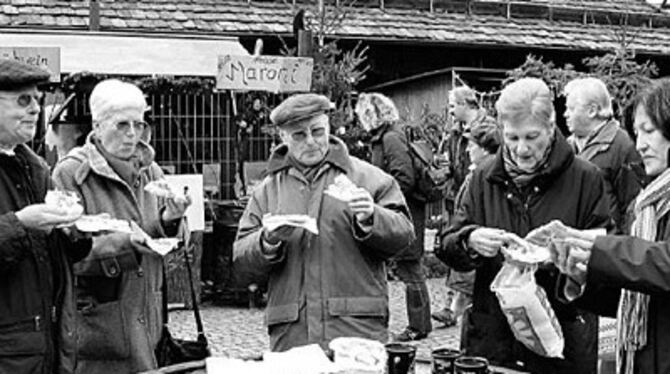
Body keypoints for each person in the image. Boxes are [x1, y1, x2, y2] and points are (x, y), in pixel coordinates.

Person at [436, 78, 610, 373]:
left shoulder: (586, 178)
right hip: (495, 339)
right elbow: (447, 243)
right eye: (512, 137)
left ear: (552, 126)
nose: (522, 149)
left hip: (562, 341)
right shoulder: (483, 178)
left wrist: (566, 257)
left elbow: (606, 255)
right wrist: (470, 239)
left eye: (532, 137)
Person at [233, 93, 415, 352]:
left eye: (317, 131)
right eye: (299, 135)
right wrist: (268, 240)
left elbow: (405, 236)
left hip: (356, 330)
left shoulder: (369, 178)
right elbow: (240, 261)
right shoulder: (267, 191)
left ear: (328, 128)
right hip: (293, 334)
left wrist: (372, 218)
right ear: (282, 137)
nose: (311, 141)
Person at [52, 79, 191, 373]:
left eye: (139, 125)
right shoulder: (71, 174)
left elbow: (173, 239)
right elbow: (66, 256)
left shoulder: (150, 169)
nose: (132, 134)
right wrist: (124, 245)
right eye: (121, 125)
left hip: (149, 322)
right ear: (98, 125)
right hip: (100, 330)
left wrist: (171, 220)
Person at [548, 77, 670, 374]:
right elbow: (637, 294)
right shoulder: (649, 203)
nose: (639, 145)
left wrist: (597, 248)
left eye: (649, 131)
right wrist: (581, 276)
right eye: (636, 132)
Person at [0, 59, 91, 373]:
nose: (35, 109)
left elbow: (59, 258)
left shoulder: (34, 167)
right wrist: (21, 224)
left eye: (37, 100)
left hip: (43, 347)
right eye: (23, 101)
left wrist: (74, 230)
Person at [355, 92, 432, 341]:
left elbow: (404, 177)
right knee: (407, 269)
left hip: (403, 212)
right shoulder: (387, 136)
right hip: (398, 209)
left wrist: (381, 199)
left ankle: (419, 326)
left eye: (362, 115)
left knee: (411, 269)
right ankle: (418, 324)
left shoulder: (390, 138)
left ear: (371, 115)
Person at [432, 85, 497, 326]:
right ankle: (453, 305)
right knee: (456, 247)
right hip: (459, 194)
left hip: (476, 197)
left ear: (465, 105)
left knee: (471, 251)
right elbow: (456, 161)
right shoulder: (455, 132)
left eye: (451, 107)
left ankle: (456, 307)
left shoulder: (486, 130)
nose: (449, 112)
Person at [564, 77, 644, 234]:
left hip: (607, 248)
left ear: (592, 110)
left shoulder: (623, 146)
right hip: (575, 244)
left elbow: (633, 206)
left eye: (571, 109)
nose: (565, 114)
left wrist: (619, 247)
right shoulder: (567, 148)